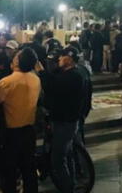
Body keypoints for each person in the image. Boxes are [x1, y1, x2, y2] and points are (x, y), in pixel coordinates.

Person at [39, 46, 88, 193]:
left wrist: (41, 71)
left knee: (58, 159)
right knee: (67, 155)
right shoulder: (68, 73)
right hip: (66, 121)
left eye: (62, 57)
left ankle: (68, 189)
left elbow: (52, 86)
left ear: (70, 58)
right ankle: (71, 184)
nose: (59, 59)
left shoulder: (74, 76)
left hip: (65, 123)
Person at [0, 48, 41, 193]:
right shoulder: (36, 79)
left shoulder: (6, 82)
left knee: (10, 172)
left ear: (18, 61)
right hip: (29, 130)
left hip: (11, 133)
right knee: (29, 170)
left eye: (17, 57)